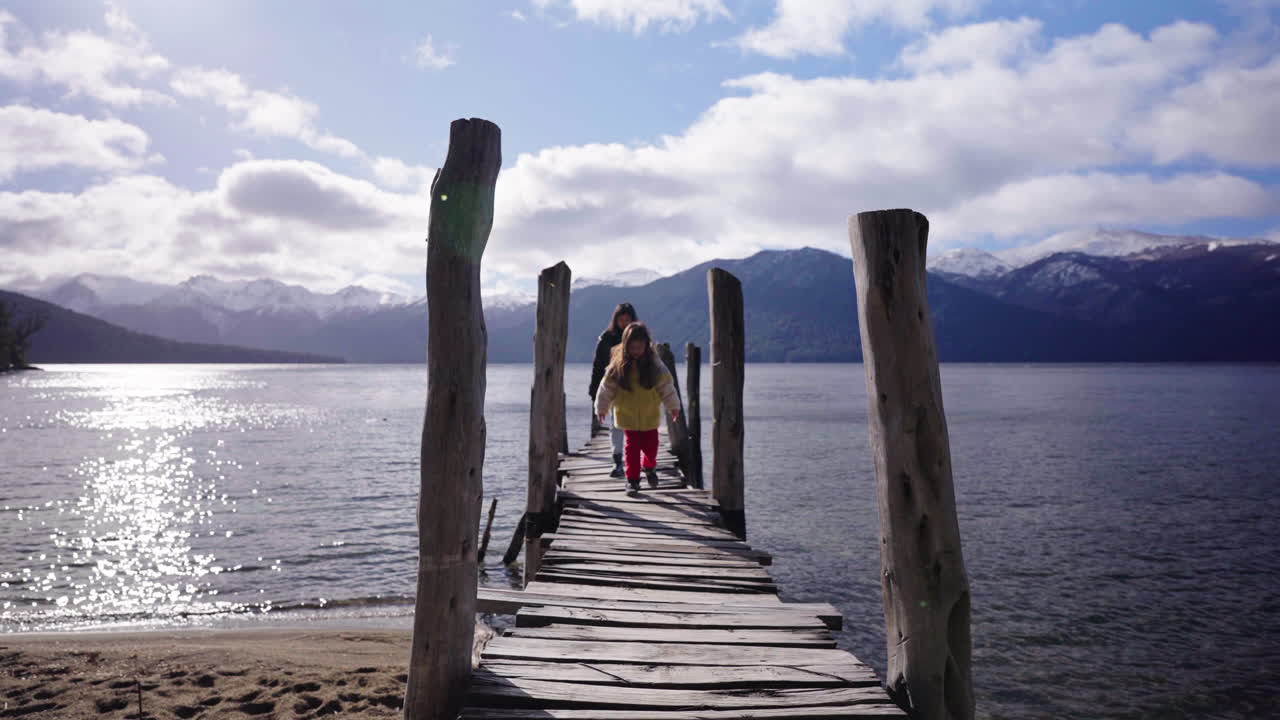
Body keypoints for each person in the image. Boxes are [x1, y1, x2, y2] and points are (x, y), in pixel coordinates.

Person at [593, 322, 681, 494]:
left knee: (651, 449)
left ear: (646, 346)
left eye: (639, 347)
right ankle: (632, 480)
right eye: (632, 347)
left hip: (649, 417)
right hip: (628, 417)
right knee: (631, 450)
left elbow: (667, 388)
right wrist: (601, 408)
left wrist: (673, 406)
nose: (636, 351)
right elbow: (606, 389)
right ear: (625, 346)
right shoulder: (617, 366)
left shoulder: (656, 366)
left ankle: (649, 467)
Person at [589, 302, 637, 478]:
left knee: (636, 427)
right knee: (616, 425)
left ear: (633, 320)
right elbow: (598, 366)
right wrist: (595, 392)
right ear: (615, 320)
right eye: (621, 319)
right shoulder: (606, 339)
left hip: (637, 389)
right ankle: (618, 462)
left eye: (627, 319)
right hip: (614, 388)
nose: (624, 323)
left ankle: (635, 462)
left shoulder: (638, 338)